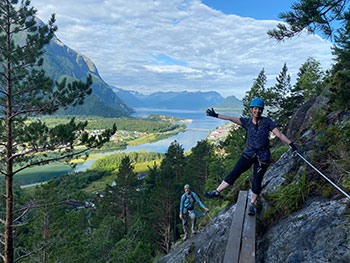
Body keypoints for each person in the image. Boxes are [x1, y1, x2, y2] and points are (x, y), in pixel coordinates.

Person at [204, 97, 297, 216]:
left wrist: (291, 144)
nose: (257, 111)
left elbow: (278, 134)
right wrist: (216, 115)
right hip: (248, 153)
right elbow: (231, 118)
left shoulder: (267, 122)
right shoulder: (247, 122)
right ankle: (217, 192)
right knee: (234, 172)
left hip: (263, 156)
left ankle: (252, 204)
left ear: (262, 110)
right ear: (251, 110)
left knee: (257, 181)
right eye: (255, 109)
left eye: (260, 109)